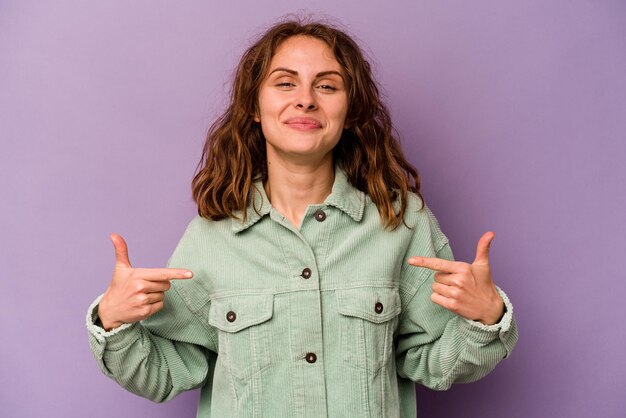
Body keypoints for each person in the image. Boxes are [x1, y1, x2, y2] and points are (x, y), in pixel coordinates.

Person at [86, 18, 518, 418]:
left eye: (327, 86)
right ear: (255, 106)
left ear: (350, 112)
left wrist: (486, 319)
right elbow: (167, 371)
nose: (306, 100)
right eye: (285, 82)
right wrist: (114, 322)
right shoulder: (211, 237)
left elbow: (433, 361)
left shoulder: (400, 222)